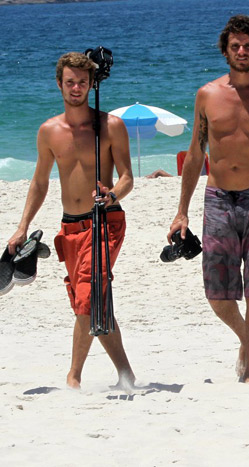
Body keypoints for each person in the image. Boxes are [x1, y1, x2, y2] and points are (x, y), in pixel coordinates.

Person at [168, 15, 249, 384]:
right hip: (218, 198)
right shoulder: (207, 94)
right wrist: (181, 211)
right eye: (235, 45)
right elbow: (195, 153)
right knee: (217, 293)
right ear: (225, 50)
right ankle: (248, 340)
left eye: (248, 46)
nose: (242, 51)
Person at [6, 52, 136, 390]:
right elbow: (39, 182)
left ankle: (73, 377)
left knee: (88, 296)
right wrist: (22, 226)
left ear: (91, 84)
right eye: (70, 82)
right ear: (59, 84)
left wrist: (113, 195)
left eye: (82, 81)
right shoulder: (49, 131)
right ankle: (125, 374)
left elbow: (127, 177)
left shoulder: (110, 126)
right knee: (93, 301)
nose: (76, 87)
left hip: (105, 221)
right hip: (70, 227)